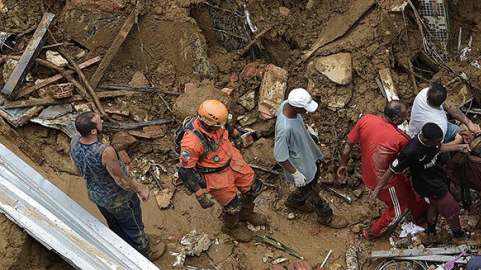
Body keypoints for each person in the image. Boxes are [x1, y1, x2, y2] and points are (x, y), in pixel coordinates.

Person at [70, 112, 165, 260]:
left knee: (114, 225)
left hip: (97, 196)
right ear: (93, 131)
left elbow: (77, 170)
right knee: (134, 226)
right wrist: (141, 190)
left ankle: (124, 249)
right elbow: (121, 181)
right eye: (98, 121)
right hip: (118, 199)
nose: (101, 120)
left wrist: (96, 178)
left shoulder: (74, 142)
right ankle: (145, 253)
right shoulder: (105, 151)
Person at [177, 99, 267, 242]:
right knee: (233, 206)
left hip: (233, 161)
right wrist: (200, 195)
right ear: (208, 123)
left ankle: (246, 213)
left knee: (255, 188)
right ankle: (230, 226)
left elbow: (227, 127)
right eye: (218, 125)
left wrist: (237, 135)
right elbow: (185, 171)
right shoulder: (192, 143)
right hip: (215, 174)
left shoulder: (218, 123)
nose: (222, 127)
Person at [340, 100, 430, 239]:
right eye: (404, 117)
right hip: (385, 181)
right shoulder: (400, 138)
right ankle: (373, 232)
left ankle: (421, 211)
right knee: (397, 209)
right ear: (395, 119)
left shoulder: (366, 119)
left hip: (369, 172)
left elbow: (348, 143)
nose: (406, 119)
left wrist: (343, 164)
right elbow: (410, 158)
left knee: (407, 191)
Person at [370, 122, 467, 243]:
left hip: (438, 178)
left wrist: (459, 147)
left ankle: (430, 232)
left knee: (434, 206)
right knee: (452, 211)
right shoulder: (410, 151)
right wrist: (376, 191)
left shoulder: (432, 142)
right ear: (426, 140)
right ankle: (459, 235)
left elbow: (439, 148)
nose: (438, 144)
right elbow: (391, 170)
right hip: (429, 186)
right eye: (437, 142)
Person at [274, 88, 343, 228]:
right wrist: (295, 173)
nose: (306, 112)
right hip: (300, 166)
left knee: (314, 175)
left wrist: (307, 133)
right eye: (304, 109)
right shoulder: (285, 129)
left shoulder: (286, 104)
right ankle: (325, 215)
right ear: (295, 107)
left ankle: (296, 201)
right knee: (311, 190)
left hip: (306, 153)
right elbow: (280, 156)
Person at [409, 80, 481, 143]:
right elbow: (438, 148)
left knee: (459, 131)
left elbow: (450, 107)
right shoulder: (440, 123)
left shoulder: (424, 93)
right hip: (427, 142)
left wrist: (469, 123)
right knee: (446, 157)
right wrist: (456, 143)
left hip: (440, 130)